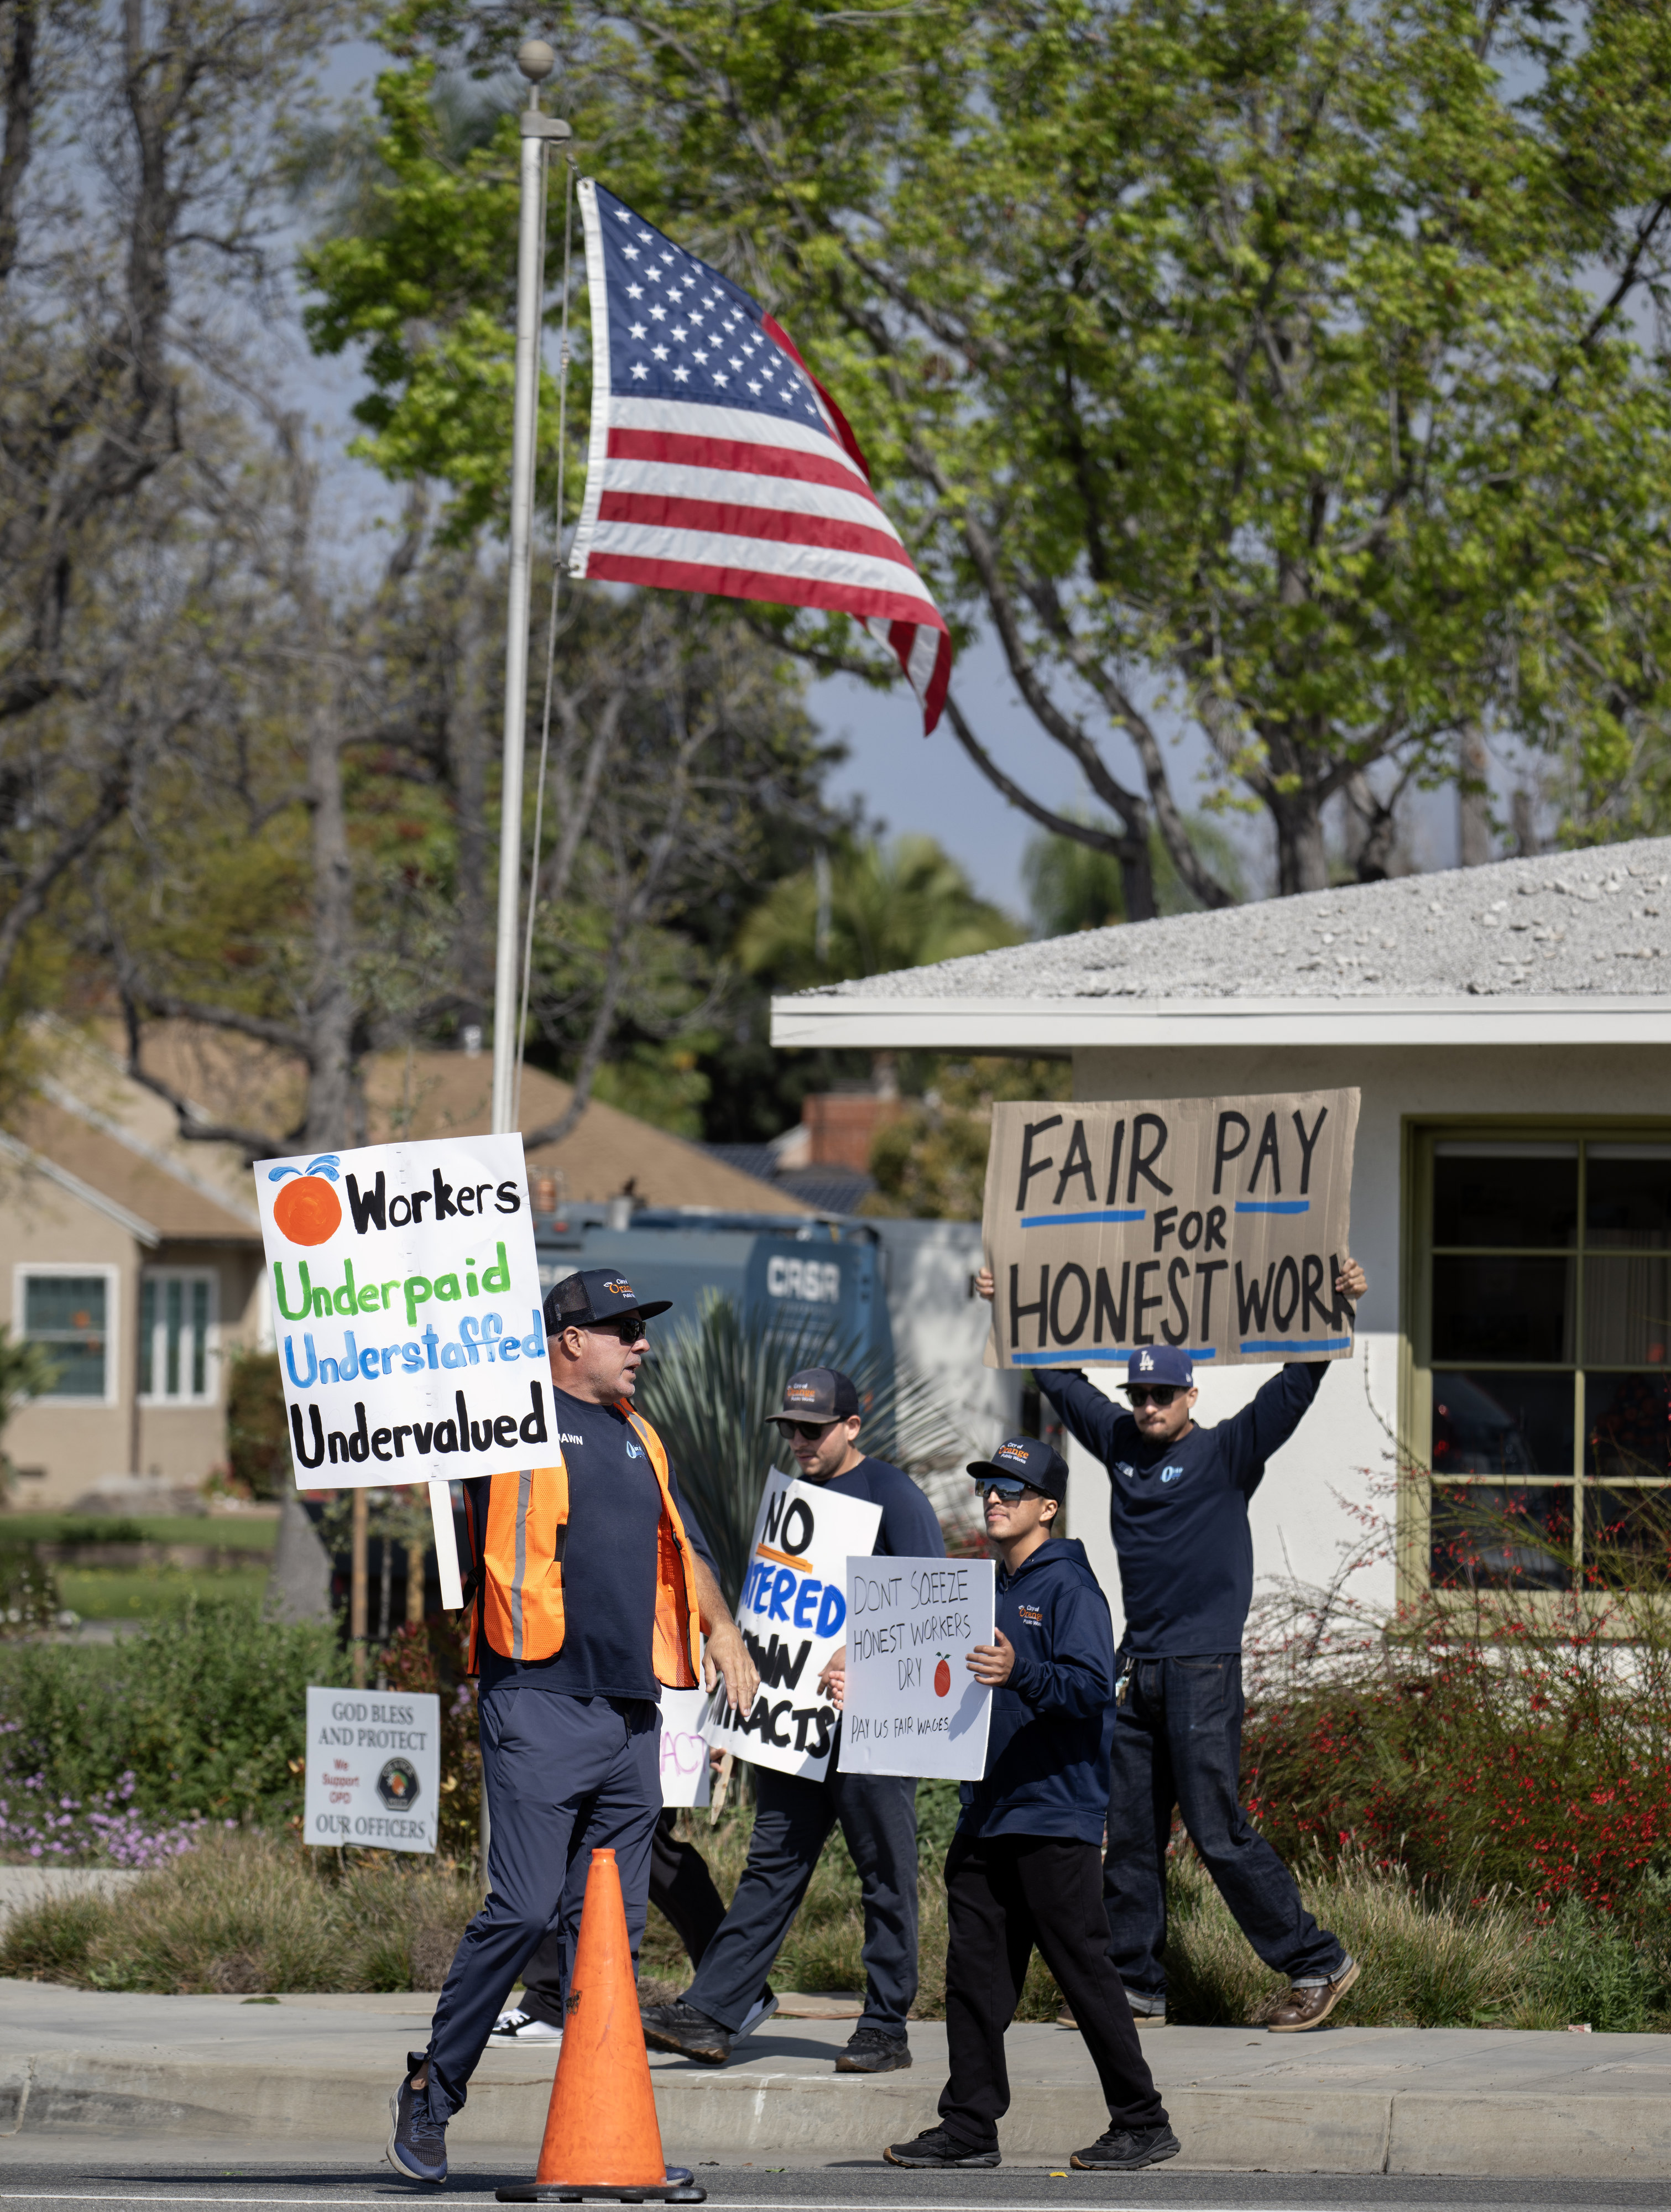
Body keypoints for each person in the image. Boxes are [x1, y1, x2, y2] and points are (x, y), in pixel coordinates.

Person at [387, 1268, 759, 2186]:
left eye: (640, 1328)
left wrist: (717, 1628)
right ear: (567, 1341)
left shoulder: (644, 1438)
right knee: (519, 1910)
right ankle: (433, 2091)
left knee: (611, 1935)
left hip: (629, 1717)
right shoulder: (503, 1424)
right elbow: (419, 1441)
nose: (640, 1344)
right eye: (620, 1328)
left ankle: (608, 2136)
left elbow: (688, 1548)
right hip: (538, 1702)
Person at [977, 1256, 1368, 2033]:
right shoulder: (1119, 1441)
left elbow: (1297, 1382)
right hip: (1137, 1666)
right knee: (1128, 1835)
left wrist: (1336, 1306)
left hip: (1202, 1666)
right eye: (1140, 1394)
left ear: (1191, 1395)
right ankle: (1136, 1985)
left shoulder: (1228, 1450)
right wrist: (1009, 1306)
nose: (1149, 1405)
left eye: (1163, 1394)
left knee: (1217, 1831)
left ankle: (1316, 1962)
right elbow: (1058, 1379)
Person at [881, 1436, 1178, 2173]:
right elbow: (929, 1684)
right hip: (986, 1812)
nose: (993, 1499)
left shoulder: (1069, 1589)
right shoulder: (979, 1589)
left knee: (1083, 1971)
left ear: (1047, 1508)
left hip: (1052, 1811)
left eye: (1011, 1491)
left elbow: (1088, 1690)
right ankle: (968, 2127)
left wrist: (1022, 1672)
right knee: (974, 1978)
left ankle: (1142, 2122)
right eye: (988, 1488)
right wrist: (871, 1690)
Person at [641, 1365, 944, 2075]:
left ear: (852, 1425)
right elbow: (769, 1617)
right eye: (791, 1430)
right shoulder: (798, 1500)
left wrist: (862, 1647)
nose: (800, 1442)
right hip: (794, 1724)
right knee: (771, 1865)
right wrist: (727, 1723)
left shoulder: (895, 1497)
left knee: (885, 1874)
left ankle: (884, 2027)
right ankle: (714, 2013)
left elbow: (935, 1605)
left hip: (872, 1725)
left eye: (813, 1429)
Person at [491, 1808, 777, 2046]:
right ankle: (553, 2001)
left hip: (646, 1744)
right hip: (587, 1744)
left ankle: (734, 1985)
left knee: (644, 1837)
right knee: (578, 1829)